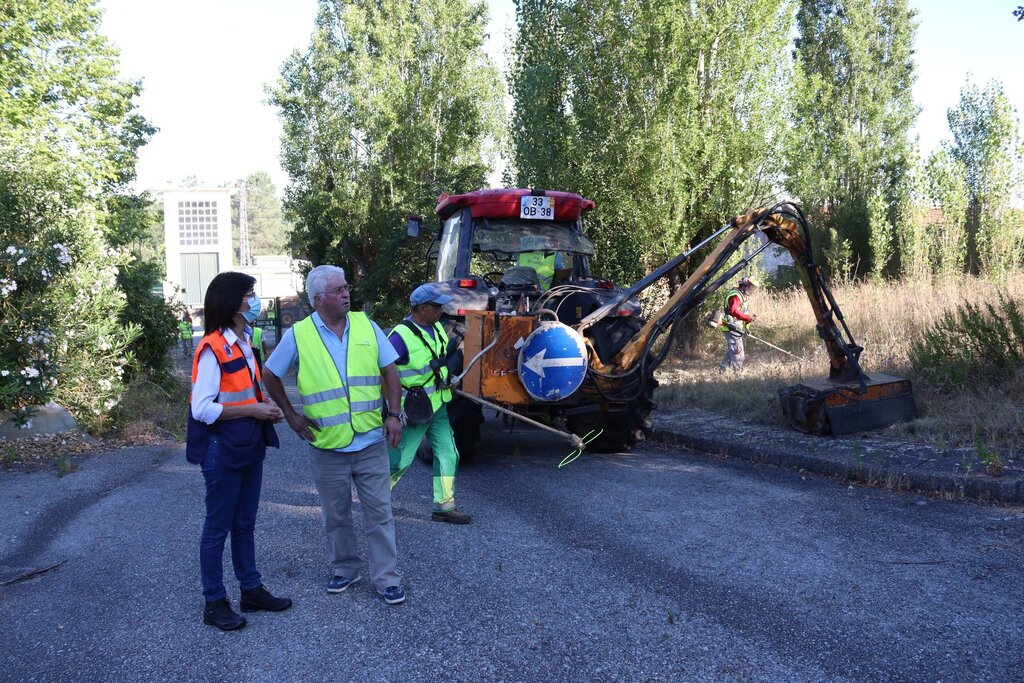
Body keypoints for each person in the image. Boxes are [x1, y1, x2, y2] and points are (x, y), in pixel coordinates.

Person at [262, 265, 407, 605]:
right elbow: (270, 374)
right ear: (318, 299)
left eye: (346, 288)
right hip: (326, 445)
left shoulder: (366, 325)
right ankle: (345, 569)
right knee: (336, 514)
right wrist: (291, 414)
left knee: (380, 512)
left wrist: (395, 415)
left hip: (371, 440)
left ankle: (387, 578)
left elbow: (390, 370)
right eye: (338, 289)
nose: (346, 293)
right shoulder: (299, 334)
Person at [187, 272, 289, 631]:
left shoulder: (245, 341)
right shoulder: (212, 347)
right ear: (232, 303)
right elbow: (202, 408)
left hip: (248, 443)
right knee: (217, 528)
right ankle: (214, 602)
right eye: (249, 294)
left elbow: (244, 392)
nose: (254, 300)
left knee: (245, 524)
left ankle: (251, 590)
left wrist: (266, 409)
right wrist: (253, 410)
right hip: (222, 449)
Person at [387, 284, 471, 525]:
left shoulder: (437, 328)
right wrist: (391, 412)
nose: (441, 310)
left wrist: (447, 381)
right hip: (414, 410)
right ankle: (377, 501)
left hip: (438, 405)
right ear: (422, 308)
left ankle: (444, 507)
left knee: (448, 454)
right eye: (436, 306)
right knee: (400, 460)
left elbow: (437, 363)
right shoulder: (399, 336)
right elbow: (384, 371)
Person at [719, 276, 757, 372]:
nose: (751, 290)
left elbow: (740, 313)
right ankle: (738, 375)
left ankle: (722, 372)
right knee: (737, 352)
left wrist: (748, 321)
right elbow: (734, 311)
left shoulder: (741, 296)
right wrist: (748, 317)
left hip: (736, 328)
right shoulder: (736, 295)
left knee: (731, 351)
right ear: (744, 286)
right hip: (732, 328)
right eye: (750, 287)